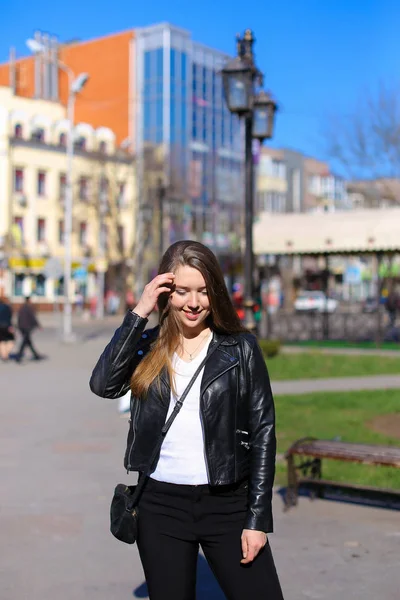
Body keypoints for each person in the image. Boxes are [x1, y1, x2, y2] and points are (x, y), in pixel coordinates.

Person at [90, 241, 283, 600]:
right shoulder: (147, 347)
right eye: (181, 291)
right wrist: (139, 312)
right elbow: (103, 385)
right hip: (160, 506)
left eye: (203, 291)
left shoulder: (240, 349)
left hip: (227, 504)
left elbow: (263, 433)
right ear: (166, 292)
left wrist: (257, 519)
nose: (193, 303)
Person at [15, 297, 43, 362]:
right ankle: (18, 356)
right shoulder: (29, 308)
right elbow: (33, 317)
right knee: (25, 341)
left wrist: (18, 326)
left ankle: (36, 355)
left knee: (28, 341)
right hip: (27, 327)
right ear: (29, 301)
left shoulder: (21, 307)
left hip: (21, 327)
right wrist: (38, 325)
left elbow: (18, 317)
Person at [0, 296, 15, 361]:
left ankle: (4, 355)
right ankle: (6, 353)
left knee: (2, 341)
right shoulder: (8, 308)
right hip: (6, 326)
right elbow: (9, 318)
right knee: (11, 340)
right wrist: (10, 326)